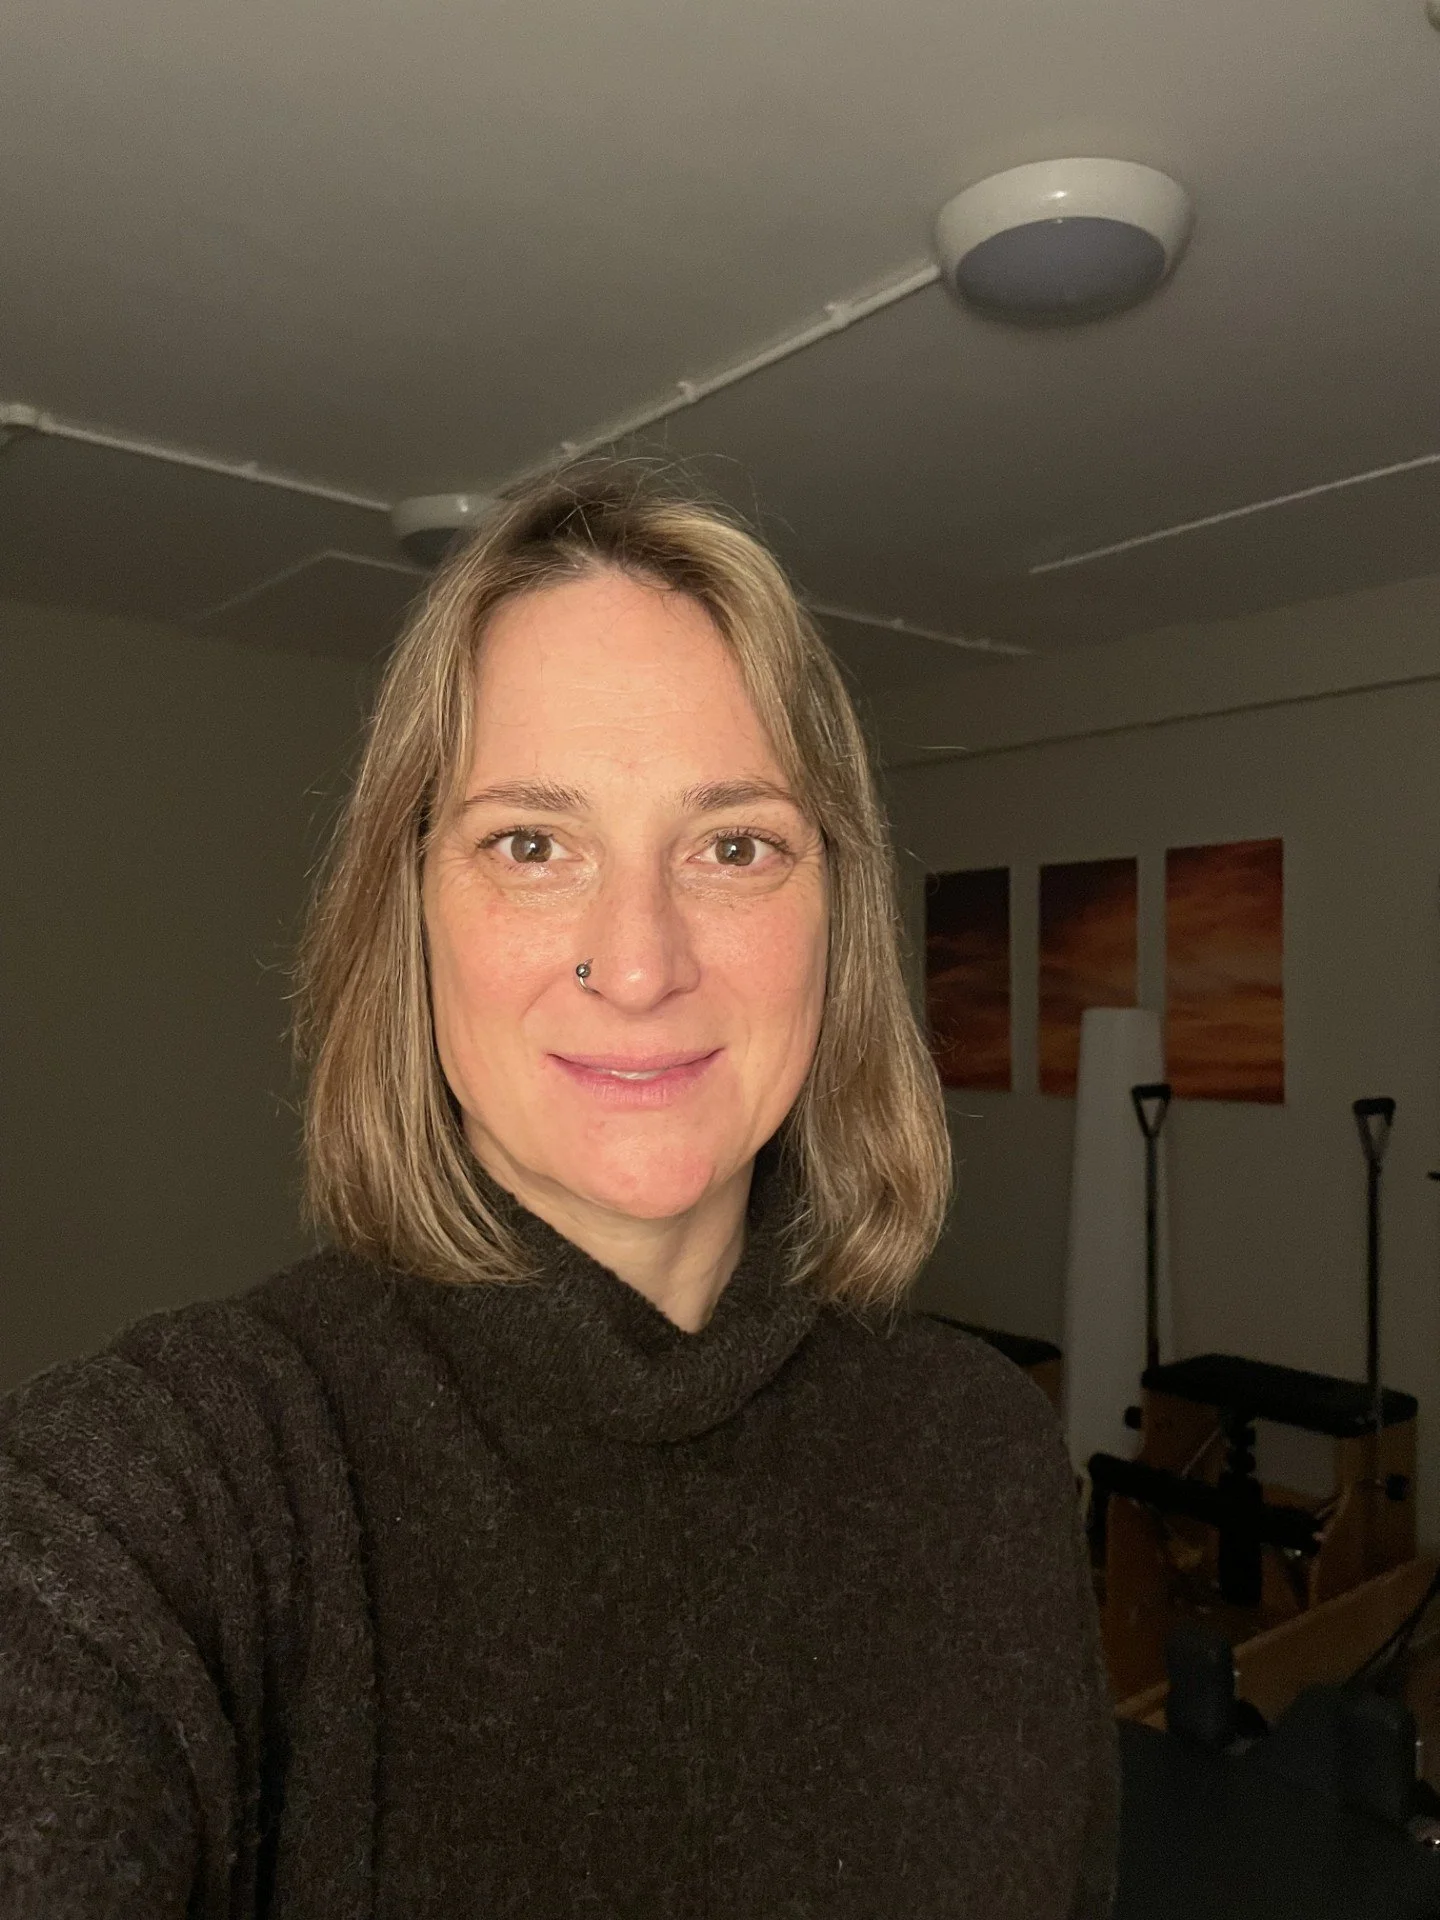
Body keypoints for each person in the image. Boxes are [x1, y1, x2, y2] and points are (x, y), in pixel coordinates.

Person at [0, 466, 1118, 1917]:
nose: (639, 961)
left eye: (734, 846)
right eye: (531, 843)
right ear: (408, 912)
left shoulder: (986, 1462)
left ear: (834, 917)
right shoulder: (189, 1484)